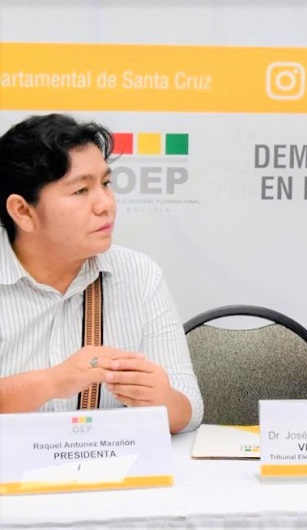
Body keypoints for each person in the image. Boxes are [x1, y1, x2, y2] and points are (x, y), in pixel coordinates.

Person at [0, 114, 203, 433]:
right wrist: (51, 383)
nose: (105, 204)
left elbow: (189, 410)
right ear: (23, 212)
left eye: (106, 184)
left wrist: (161, 399)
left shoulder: (139, 275)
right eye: (81, 191)